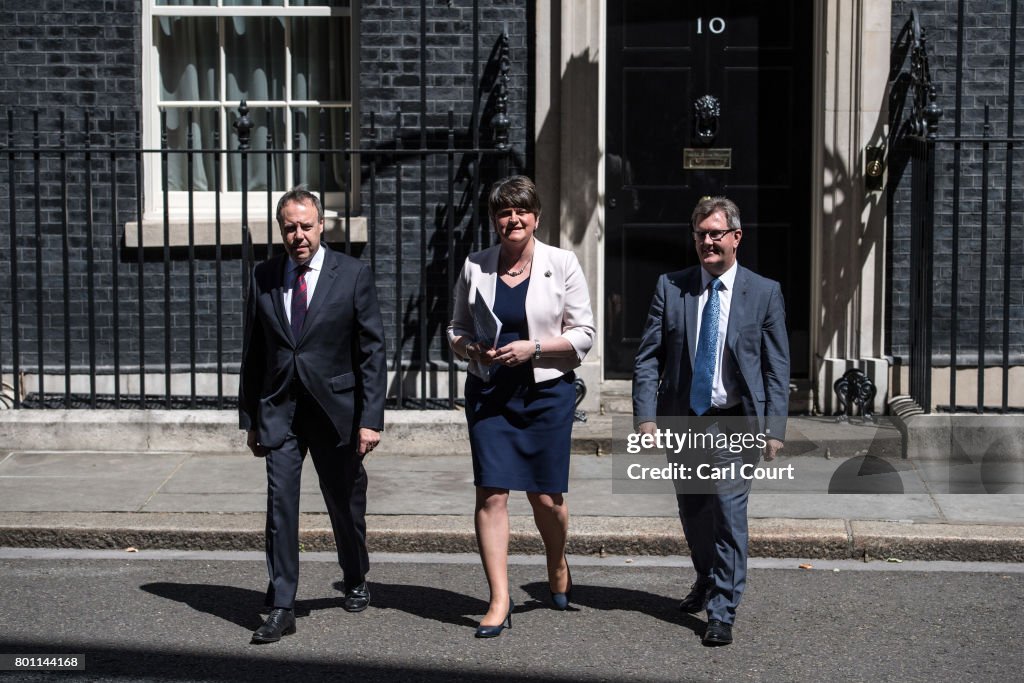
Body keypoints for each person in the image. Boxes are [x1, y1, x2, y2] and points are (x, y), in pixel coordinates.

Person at [632, 196, 789, 646]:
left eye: (716, 233)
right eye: (701, 234)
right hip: (685, 420)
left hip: (736, 421)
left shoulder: (764, 292)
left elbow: (777, 367)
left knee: (727, 512)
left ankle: (722, 608)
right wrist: (646, 417)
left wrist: (774, 428)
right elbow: (648, 358)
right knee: (694, 511)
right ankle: (706, 576)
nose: (708, 242)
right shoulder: (671, 287)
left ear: (736, 238)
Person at [447, 175, 595, 638]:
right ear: (495, 220)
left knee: (546, 498)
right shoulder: (476, 265)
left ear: (536, 217)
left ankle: (555, 563)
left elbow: (584, 334)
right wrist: (470, 348)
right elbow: (455, 328)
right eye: (504, 213)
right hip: (491, 394)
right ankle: (499, 598)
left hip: (546, 393)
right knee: (492, 494)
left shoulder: (562, 262)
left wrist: (536, 348)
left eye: (522, 211)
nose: (514, 219)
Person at [239, 188, 387, 644]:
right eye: (289, 227)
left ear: (321, 225)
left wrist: (370, 419)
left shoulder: (352, 274)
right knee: (280, 507)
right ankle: (283, 603)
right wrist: (250, 419)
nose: (298, 235)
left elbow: (371, 352)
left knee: (344, 503)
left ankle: (355, 572)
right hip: (281, 410)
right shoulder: (264, 274)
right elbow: (255, 350)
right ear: (280, 229)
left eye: (306, 225)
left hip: (335, 411)